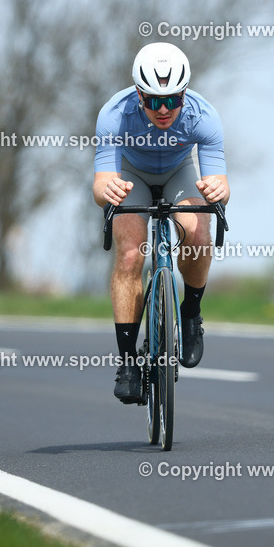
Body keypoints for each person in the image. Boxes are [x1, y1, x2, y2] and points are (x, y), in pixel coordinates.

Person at [92, 42, 230, 403]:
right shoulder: (114, 115)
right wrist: (109, 189)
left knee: (199, 230)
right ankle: (127, 362)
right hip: (130, 175)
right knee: (129, 256)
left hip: (178, 172)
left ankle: (191, 312)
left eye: (173, 99)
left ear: (185, 94)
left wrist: (218, 190)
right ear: (139, 94)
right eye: (154, 101)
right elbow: (99, 186)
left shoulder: (204, 116)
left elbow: (221, 188)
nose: (165, 109)